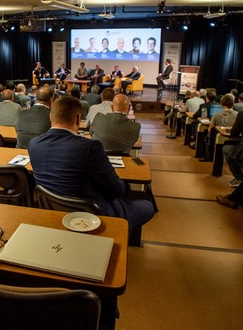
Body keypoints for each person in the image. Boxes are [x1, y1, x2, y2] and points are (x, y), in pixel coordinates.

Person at [28, 96, 154, 233]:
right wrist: (125, 187)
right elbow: (115, 189)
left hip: (52, 208)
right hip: (91, 213)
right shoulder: (89, 147)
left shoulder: (34, 144)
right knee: (147, 206)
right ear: (77, 118)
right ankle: (120, 237)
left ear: (51, 117)